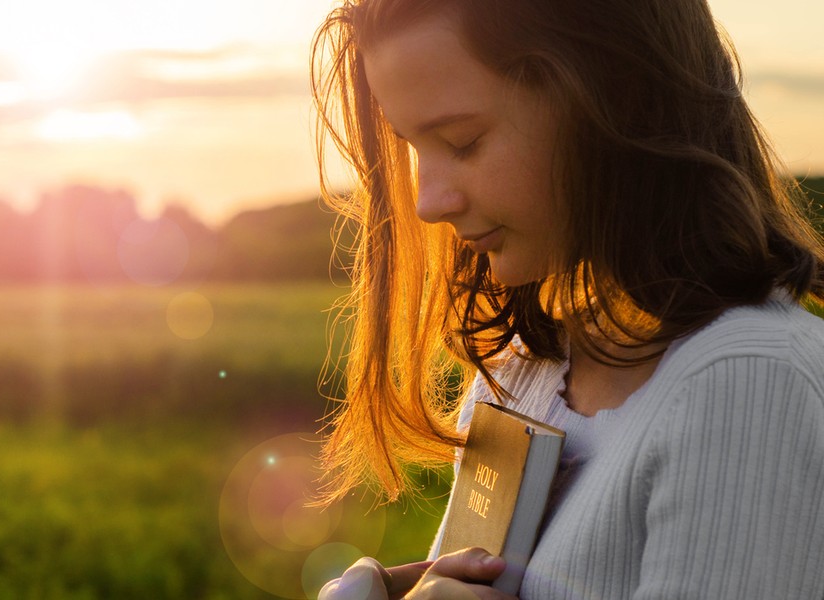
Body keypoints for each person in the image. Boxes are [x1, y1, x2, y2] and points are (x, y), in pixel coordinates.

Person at [309, 0, 824, 598]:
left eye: (462, 141)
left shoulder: (748, 384)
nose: (428, 201)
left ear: (613, 96)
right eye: (414, 148)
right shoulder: (525, 371)